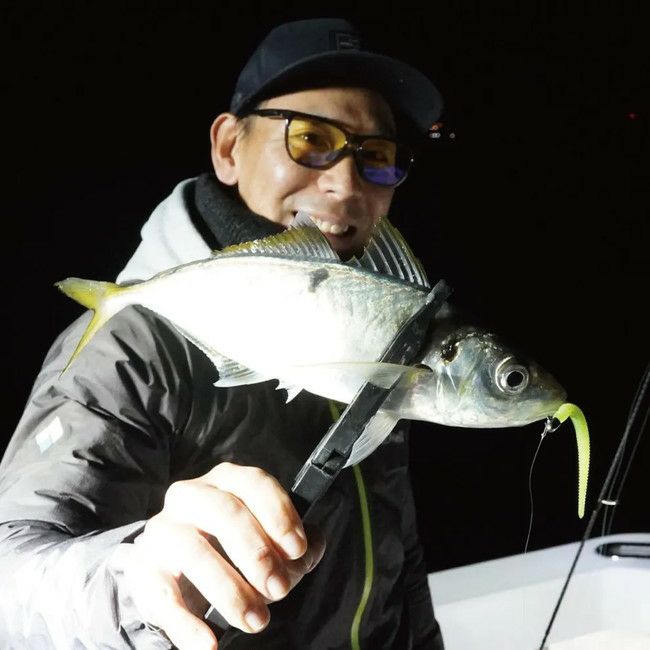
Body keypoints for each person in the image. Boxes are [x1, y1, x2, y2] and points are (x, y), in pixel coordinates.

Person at [0, 18, 445, 650]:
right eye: (311, 138)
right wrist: (135, 581)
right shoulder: (132, 347)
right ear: (229, 148)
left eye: (375, 156)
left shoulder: (381, 334)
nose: (345, 185)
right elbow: (13, 573)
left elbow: (398, 553)